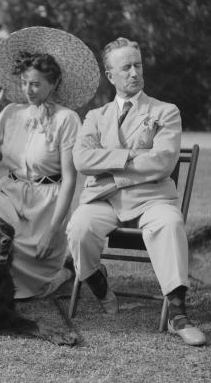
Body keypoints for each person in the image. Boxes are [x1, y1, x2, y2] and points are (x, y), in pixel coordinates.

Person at [66, 37, 206, 346]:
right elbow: (82, 160)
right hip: (104, 200)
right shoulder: (95, 117)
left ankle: (178, 313)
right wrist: (129, 155)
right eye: (126, 67)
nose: (134, 72)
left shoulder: (165, 111)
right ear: (110, 74)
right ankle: (96, 281)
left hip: (152, 197)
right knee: (79, 227)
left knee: (169, 224)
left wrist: (110, 168)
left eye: (138, 65)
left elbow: (162, 161)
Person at [0, 27, 100, 299]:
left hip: (46, 202)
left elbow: (69, 179)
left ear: (53, 84)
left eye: (36, 84)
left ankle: (65, 272)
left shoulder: (67, 119)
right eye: (25, 82)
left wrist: (52, 232)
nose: (28, 90)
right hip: (10, 193)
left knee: (34, 289)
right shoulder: (11, 112)